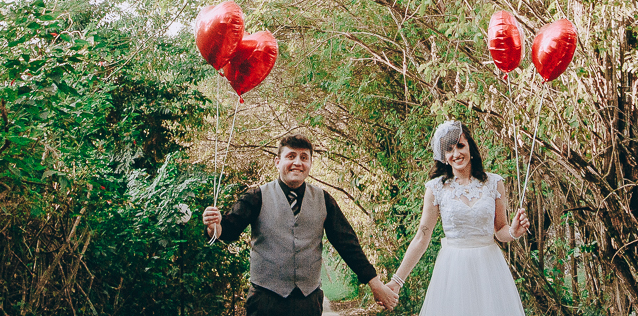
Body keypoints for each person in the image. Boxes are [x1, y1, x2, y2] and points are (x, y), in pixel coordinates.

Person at [203, 134, 398, 315]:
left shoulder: (324, 200)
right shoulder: (256, 197)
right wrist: (214, 226)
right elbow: (227, 230)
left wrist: (375, 284)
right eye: (291, 156)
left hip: (308, 301)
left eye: (304, 157)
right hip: (265, 301)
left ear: (310, 163)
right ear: (278, 162)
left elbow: (347, 244)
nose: (297, 162)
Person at [386, 120, 530, 315]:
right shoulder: (436, 189)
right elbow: (422, 237)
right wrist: (397, 281)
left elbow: (501, 231)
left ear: (470, 147)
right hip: (453, 271)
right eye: (449, 150)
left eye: (460, 146)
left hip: (489, 269)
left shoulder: (494, 183)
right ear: (443, 156)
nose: (456, 154)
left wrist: (513, 232)